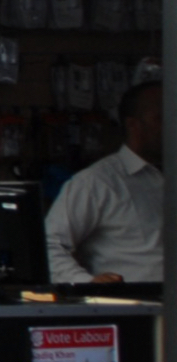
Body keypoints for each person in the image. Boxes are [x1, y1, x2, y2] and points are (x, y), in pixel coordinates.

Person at [45, 79, 163, 285]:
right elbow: (50, 244)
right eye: (160, 118)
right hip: (134, 301)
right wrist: (87, 283)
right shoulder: (97, 182)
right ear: (133, 125)